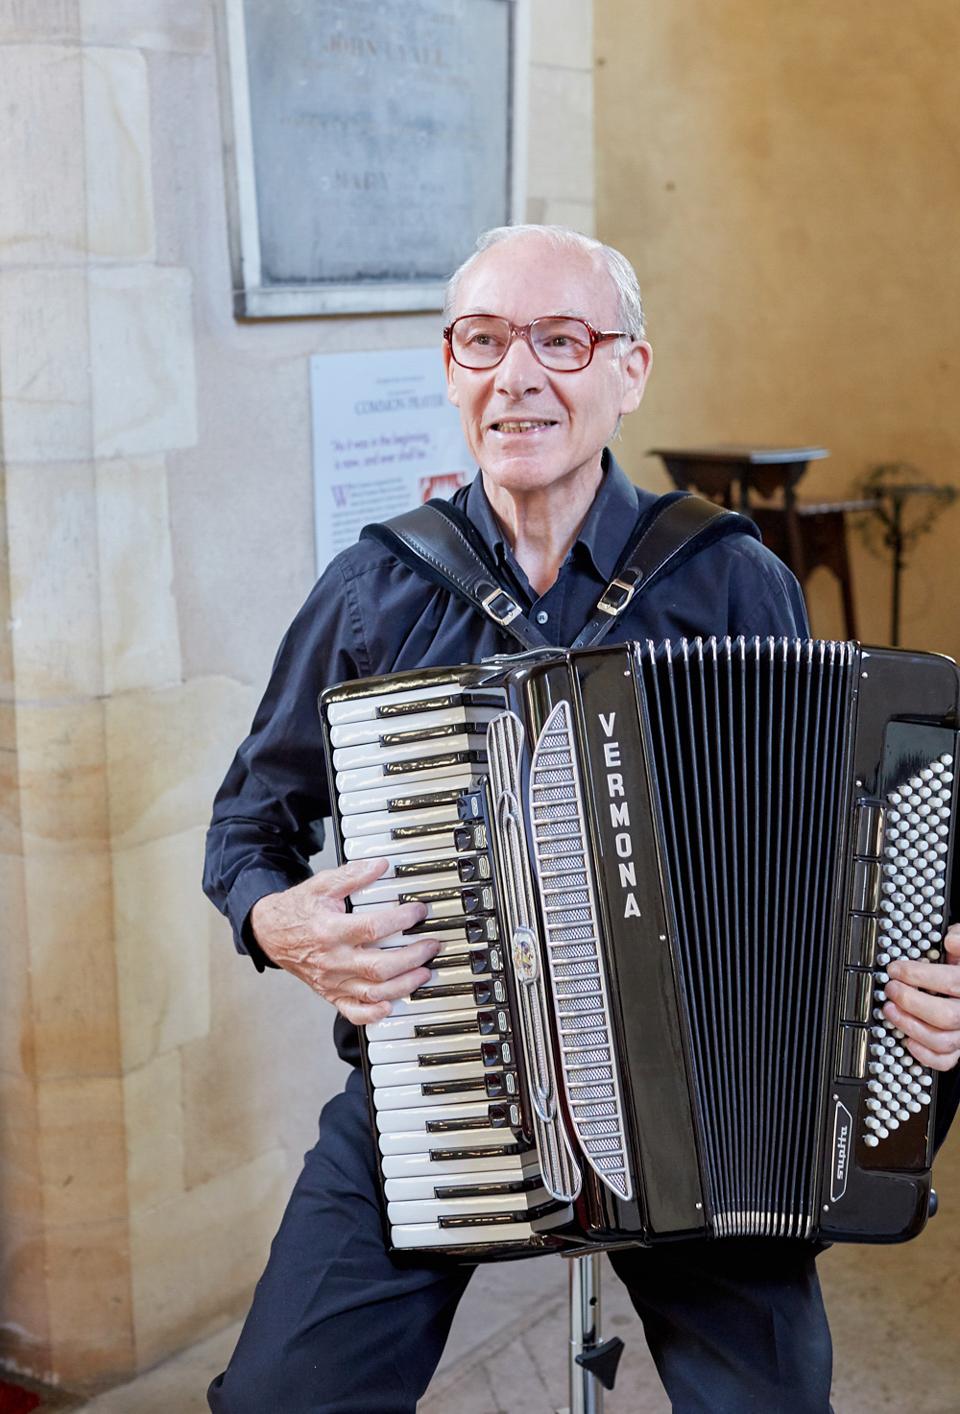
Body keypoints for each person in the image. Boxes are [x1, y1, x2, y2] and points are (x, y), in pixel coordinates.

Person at [203, 225, 960, 1414]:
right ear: (451, 369)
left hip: (708, 1122)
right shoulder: (375, 587)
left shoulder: (728, 578)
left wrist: (915, 989)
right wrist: (273, 920)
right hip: (442, 1092)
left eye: (562, 340)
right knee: (279, 1398)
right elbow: (248, 827)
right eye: (484, 340)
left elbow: (835, 856)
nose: (518, 376)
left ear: (630, 371)